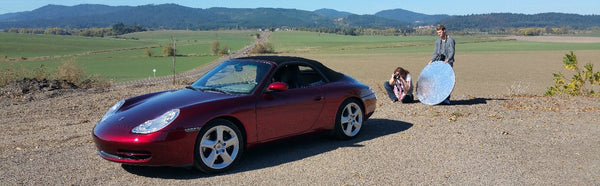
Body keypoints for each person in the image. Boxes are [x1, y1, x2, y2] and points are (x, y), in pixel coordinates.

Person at [428, 25, 455, 104]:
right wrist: (432, 60)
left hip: (448, 63)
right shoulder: (437, 42)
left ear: (444, 31)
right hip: (439, 63)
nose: (439, 34)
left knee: (446, 81)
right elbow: (436, 53)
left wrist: (448, 59)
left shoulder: (450, 40)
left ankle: (446, 98)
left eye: (440, 32)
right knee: (438, 80)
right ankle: (439, 98)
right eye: (437, 33)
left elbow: (452, 52)